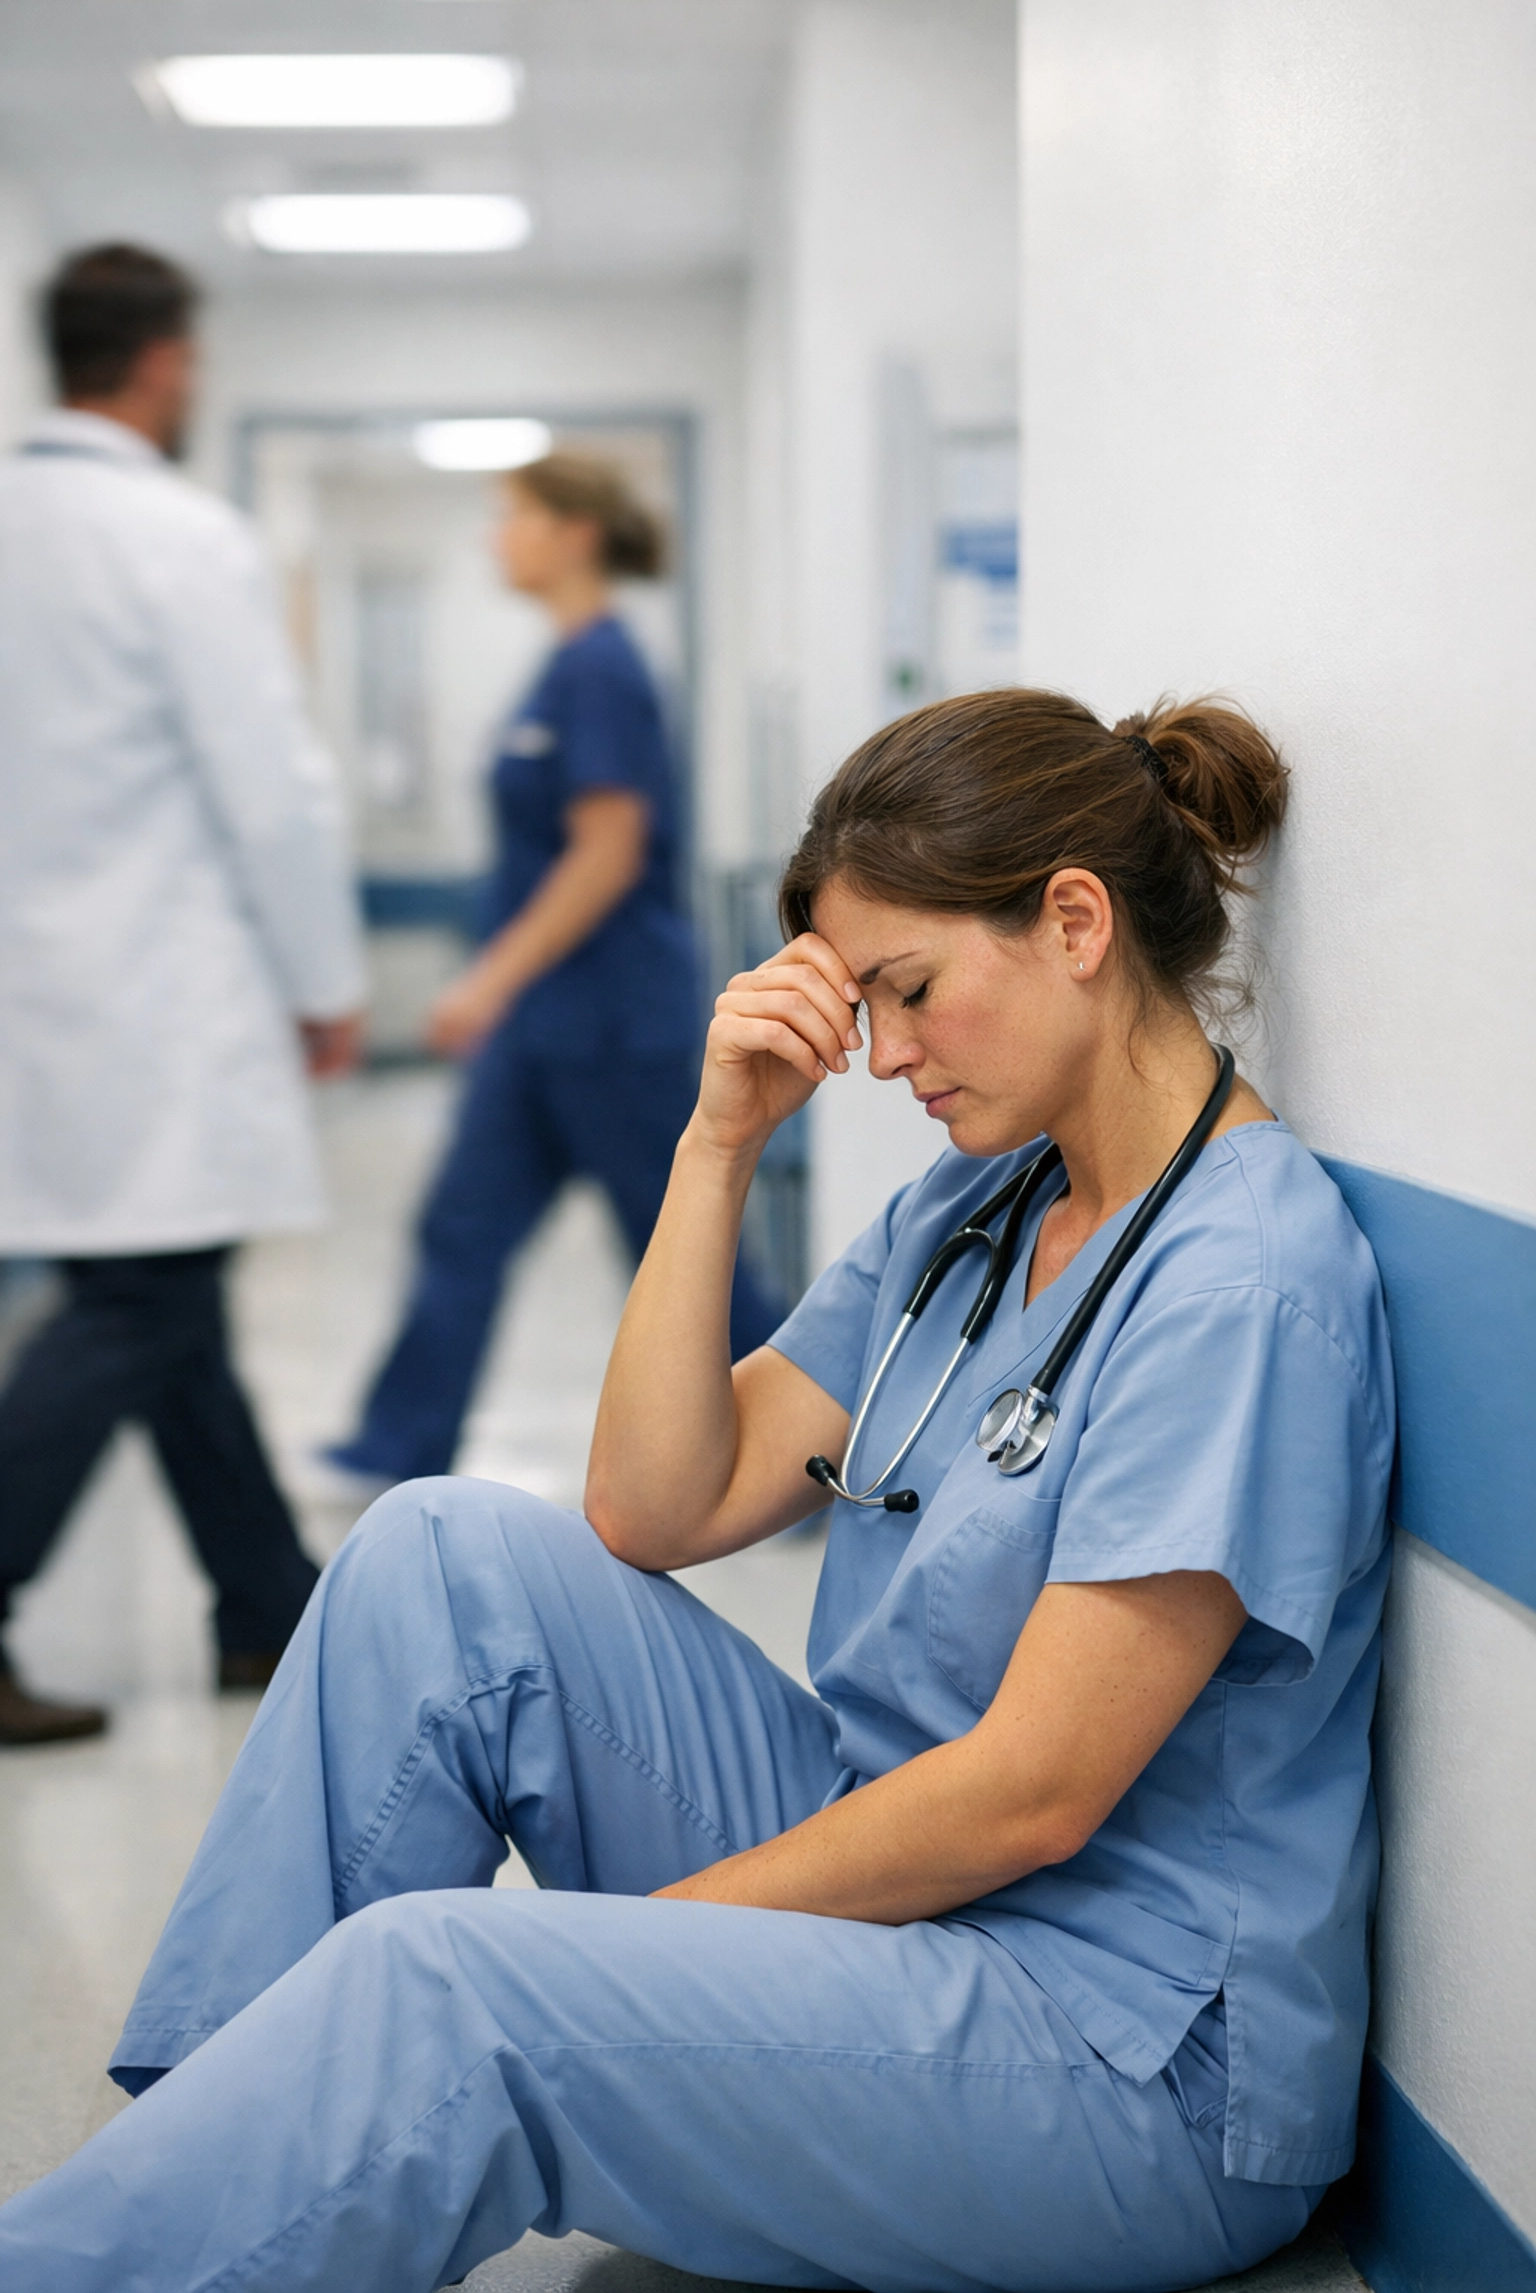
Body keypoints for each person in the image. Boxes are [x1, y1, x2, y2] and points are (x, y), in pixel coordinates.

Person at [0, 689, 1394, 2293]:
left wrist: (655, 1946)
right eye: (862, 1005)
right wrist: (716, 1142)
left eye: (913, 992)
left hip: (1118, 2055)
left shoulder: (1242, 1283)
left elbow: (1035, 1795)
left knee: (470, 1981)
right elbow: (655, 1510)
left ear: (1075, 922)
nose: (880, 1057)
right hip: (909, 1884)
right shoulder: (981, 1205)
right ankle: (214, 2171)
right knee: (438, 1554)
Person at [0, 244, 365, 1744]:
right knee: (139, 1301)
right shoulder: (174, 537)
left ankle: (261, 1611)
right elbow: (268, 794)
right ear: (161, 363)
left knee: (169, 1300)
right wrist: (325, 980)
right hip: (154, 989)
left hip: (46, 994)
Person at [327, 450, 779, 1486]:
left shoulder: (603, 669)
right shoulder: (565, 662)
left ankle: (788, 1459)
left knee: (683, 1250)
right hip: (546, 1028)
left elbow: (609, 849)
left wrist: (485, 979)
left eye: (513, 517)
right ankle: (398, 1444)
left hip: (618, 1027)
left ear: (575, 532)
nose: (498, 538)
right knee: (462, 1228)